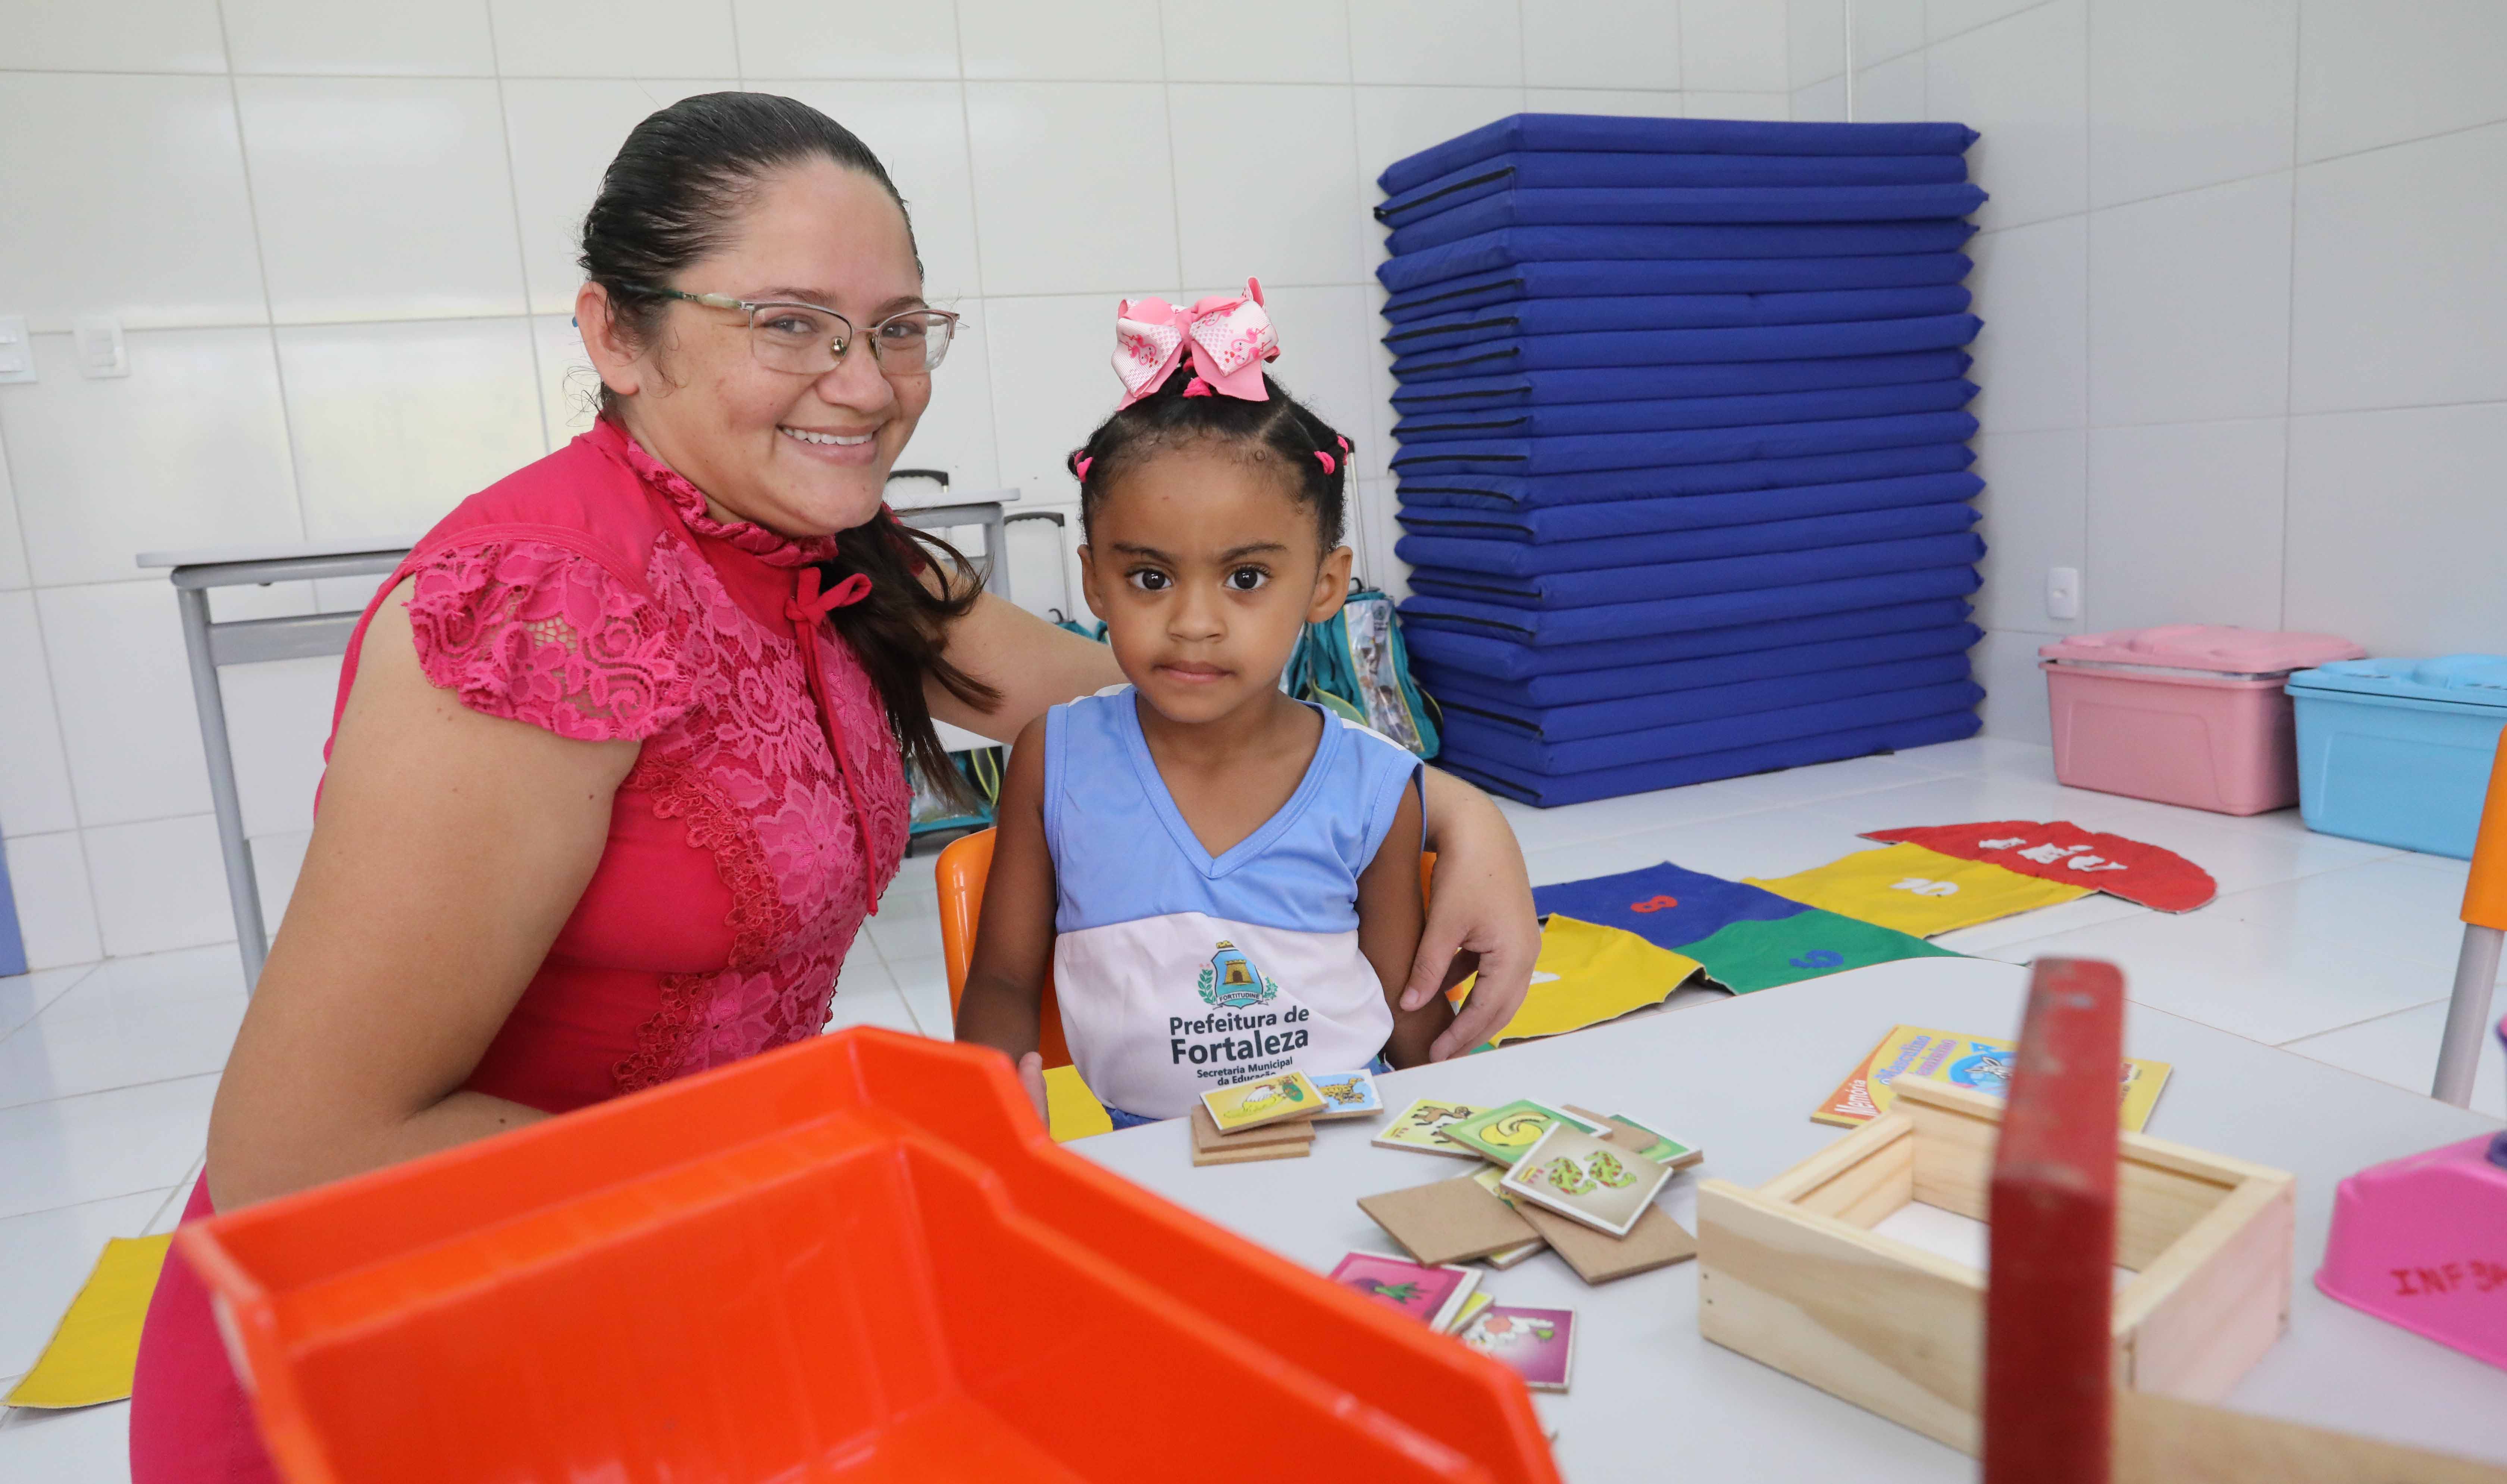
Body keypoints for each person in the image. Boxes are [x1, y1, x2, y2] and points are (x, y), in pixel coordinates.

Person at [129, 92, 1537, 1483]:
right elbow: (302, 1156)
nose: (868, 384)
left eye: (898, 328)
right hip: (406, 1361)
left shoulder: (849, 558)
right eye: (788, 324)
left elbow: (1179, 713)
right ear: (617, 333)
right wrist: (826, 1174)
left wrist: (1453, 810)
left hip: (677, 1291)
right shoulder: (543, 607)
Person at [954, 284, 1459, 1124]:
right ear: (1094, 581)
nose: (1193, 624)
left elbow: (1406, 1007)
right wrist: (996, 1128)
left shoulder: (1377, 785)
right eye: (1150, 579)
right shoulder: (1058, 756)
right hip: (1154, 1172)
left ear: (1326, 585)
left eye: (1247, 578)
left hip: (1346, 1140)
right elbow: (1005, 981)